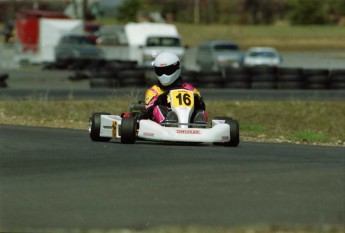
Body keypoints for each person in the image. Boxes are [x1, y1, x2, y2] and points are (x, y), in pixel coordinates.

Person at [143, 51, 207, 125]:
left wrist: (198, 101)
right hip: (161, 124)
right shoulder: (154, 91)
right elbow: (149, 109)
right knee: (157, 107)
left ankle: (199, 125)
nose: (164, 75)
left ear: (176, 68)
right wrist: (160, 100)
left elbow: (202, 106)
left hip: (188, 120)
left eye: (168, 70)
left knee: (201, 112)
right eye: (160, 71)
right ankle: (168, 122)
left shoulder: (189, 89)